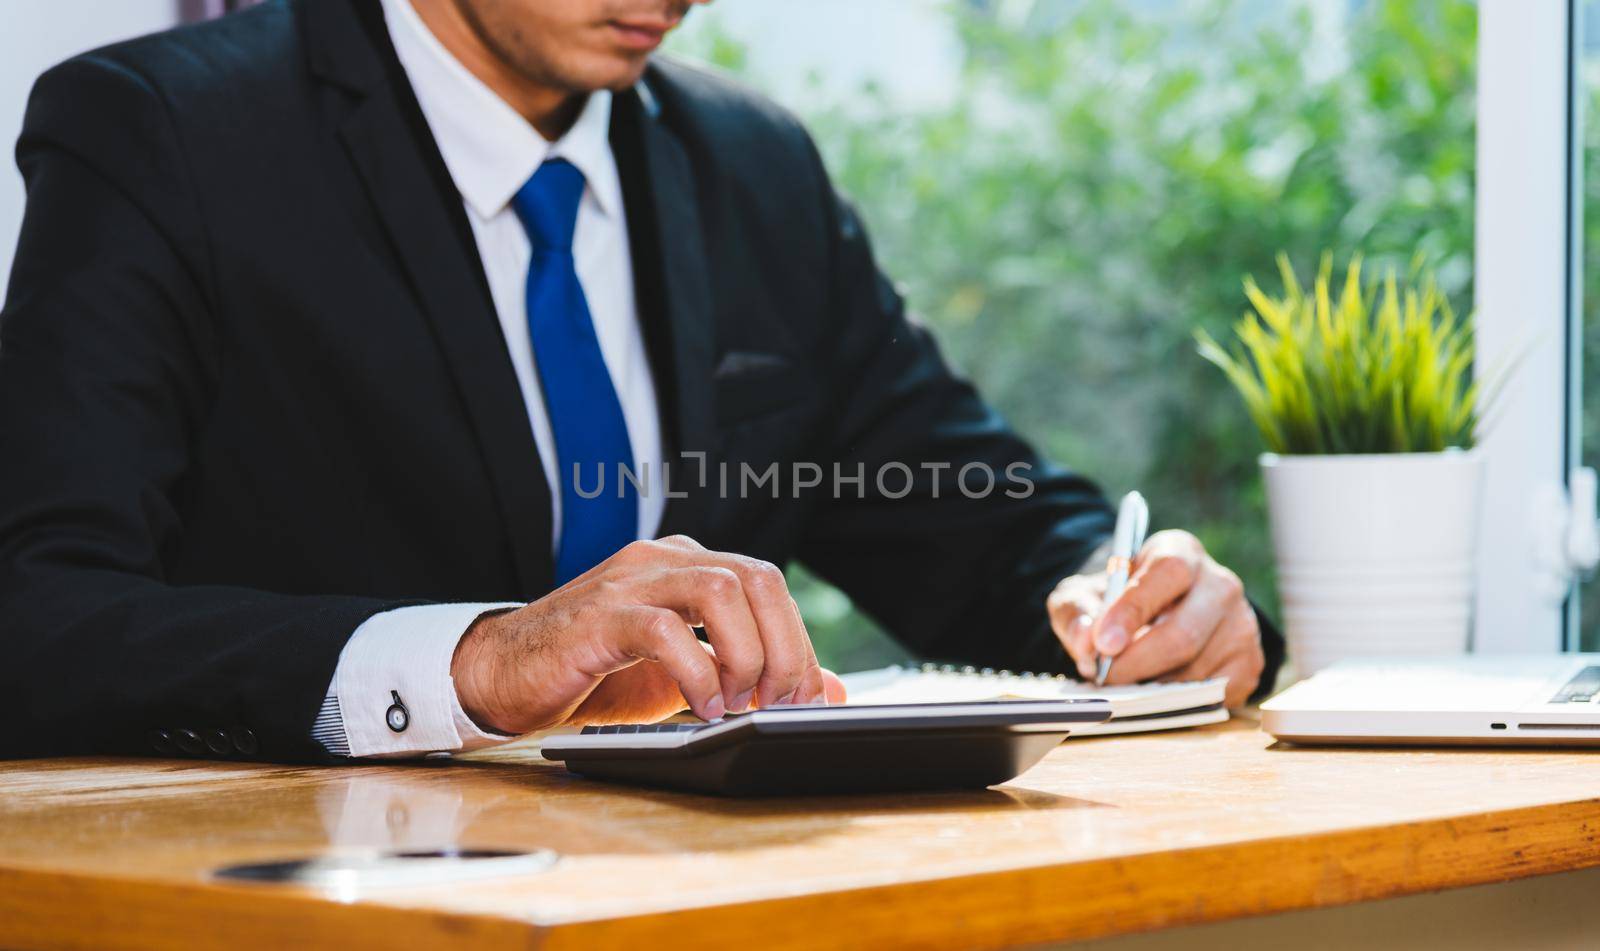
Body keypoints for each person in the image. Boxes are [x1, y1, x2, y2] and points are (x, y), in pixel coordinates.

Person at [0, 0, 1281, 763]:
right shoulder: (161, 132)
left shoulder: (751, 162)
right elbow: (36, 615)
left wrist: (1133, 599)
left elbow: (971, 519)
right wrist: (474, 660)